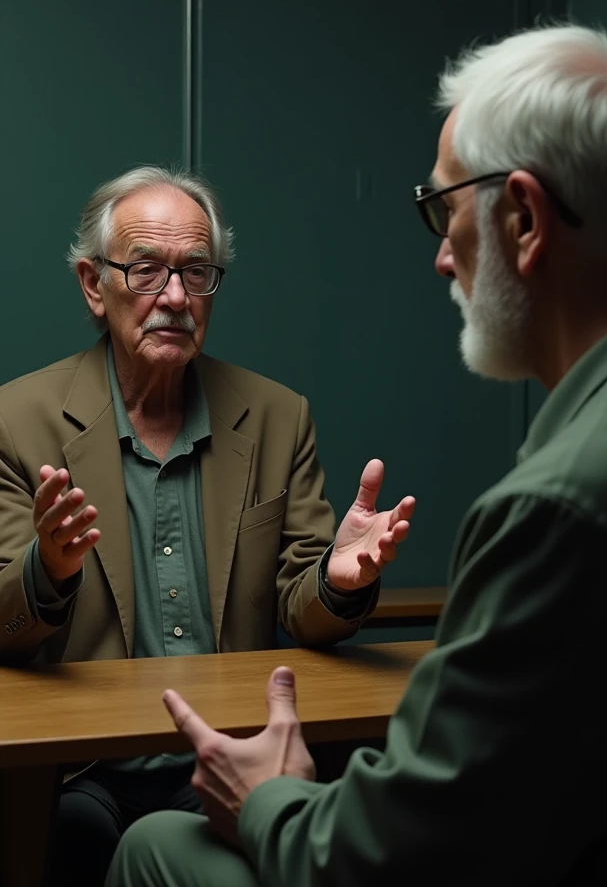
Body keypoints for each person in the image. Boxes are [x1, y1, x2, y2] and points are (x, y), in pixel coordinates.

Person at [108, 24, 607, 887]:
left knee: (155, 845)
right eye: (146, 270)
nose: (441, 257)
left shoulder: (560, 505)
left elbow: (400, 854)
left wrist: (265, 796)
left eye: (445, 212)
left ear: (524, 217)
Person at [0, 165, 415, 886]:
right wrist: (49, 568)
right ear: (94, 286)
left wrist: (336, 582)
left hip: (243, 755)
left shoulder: (277, 415)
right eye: (146, 270)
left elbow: (305, 604)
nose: (174, 297)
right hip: (90, 771)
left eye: (196, 272)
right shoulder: (17, 421)